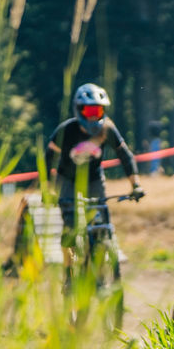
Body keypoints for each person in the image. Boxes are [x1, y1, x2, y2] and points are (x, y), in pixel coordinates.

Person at [45, 83, 145, 269]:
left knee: (101, 222)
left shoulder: (107, 129)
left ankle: (101, 262)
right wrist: (48, 189)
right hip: (67, 179)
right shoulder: (66, 130)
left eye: (97, 111)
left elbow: (125, 156)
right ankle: (68, 271)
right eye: (89, 110)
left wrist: (136, 185)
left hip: (94, 179)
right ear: (79, 110)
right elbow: (48, 159)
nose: (93, 116)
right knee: (70, 227)